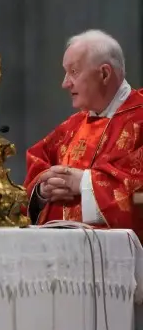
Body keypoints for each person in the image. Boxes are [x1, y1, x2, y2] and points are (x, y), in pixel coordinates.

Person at [25, 30, 143, 234]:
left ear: (104, 74)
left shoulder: (139, 120)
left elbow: (139, 198)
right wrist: (43, 191)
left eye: (74, 72)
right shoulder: (71, 127)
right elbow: (36, 169)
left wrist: (85, 184)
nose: (65, 83)